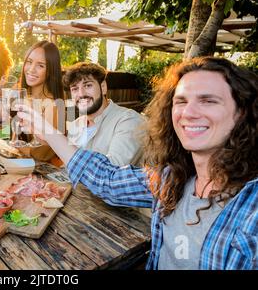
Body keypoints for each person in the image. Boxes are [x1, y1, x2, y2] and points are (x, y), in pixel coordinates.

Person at [18, 57, 257, 270]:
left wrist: (50, 133)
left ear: (241, 113)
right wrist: (48, 133)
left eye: (208, 101)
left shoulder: (251, 207)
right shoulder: (171, 178)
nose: (189, 112)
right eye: (181, 101)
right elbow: (108, 180)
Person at [63, 62, 145, 166]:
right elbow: (68, 166)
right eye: (75, 89)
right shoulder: (74, 126)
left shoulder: (128, 120)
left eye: (88, 85)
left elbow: (112, 170)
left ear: (103, 87)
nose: (81, 94)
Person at [17, 40, 64, 163]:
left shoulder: (53, 105)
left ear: (50, 71)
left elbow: (43, 153)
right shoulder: (25, 97)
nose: (31, 69)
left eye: (40, 65)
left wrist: (20, 147)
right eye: (29, 62)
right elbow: (15, 137)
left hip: (44, 174)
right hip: (21, 165)